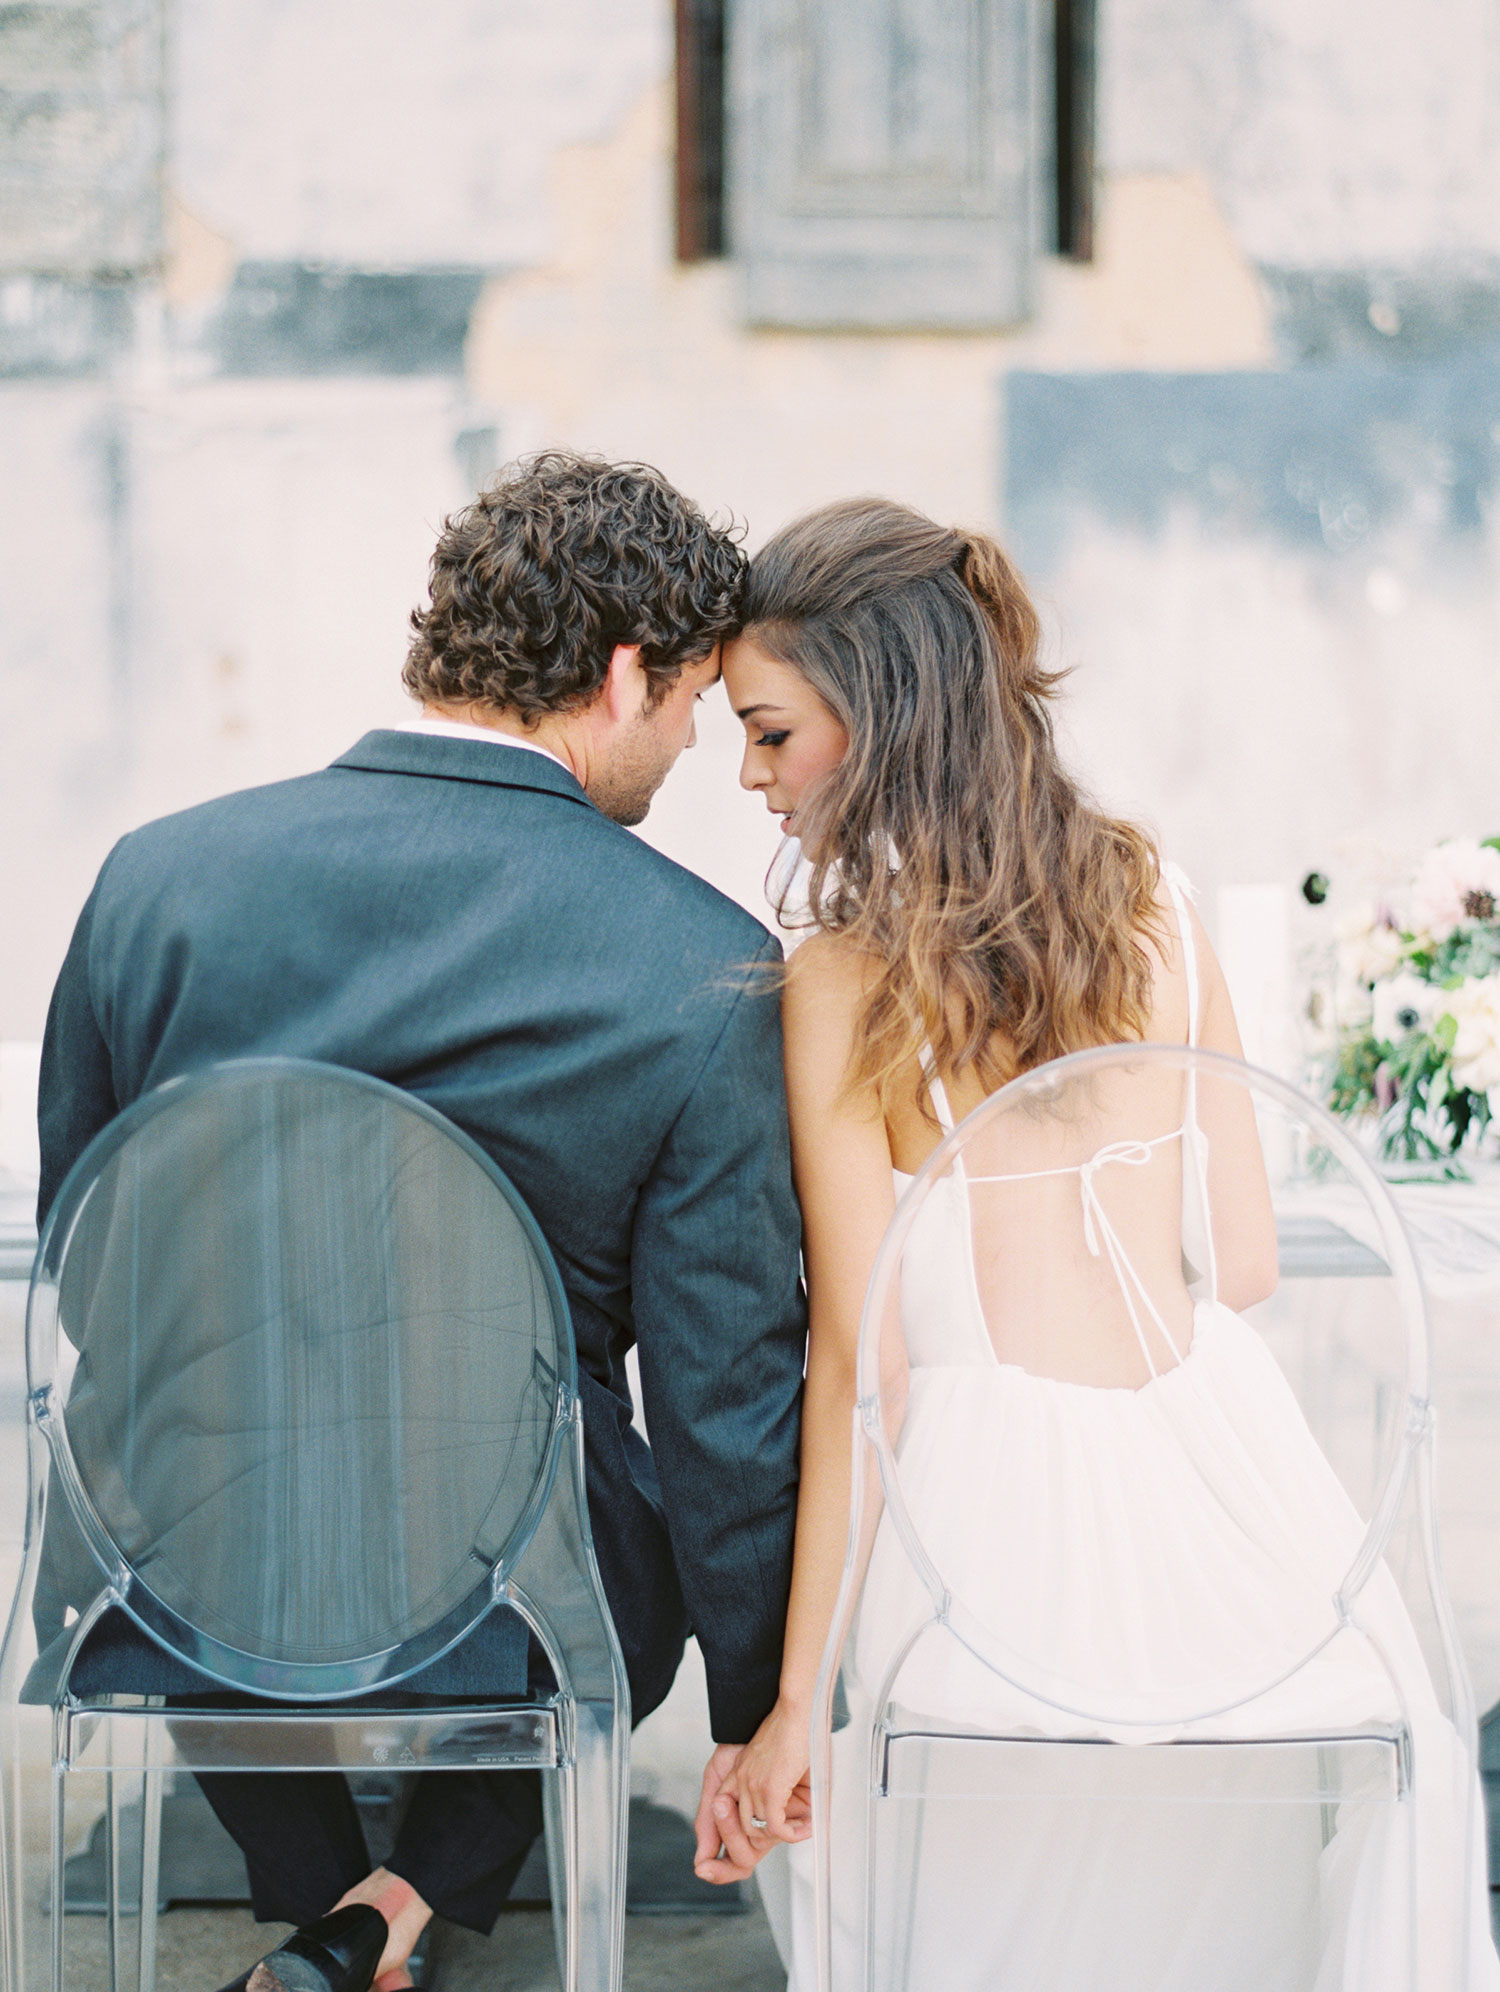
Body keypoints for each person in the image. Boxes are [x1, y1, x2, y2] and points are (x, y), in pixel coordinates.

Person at [694, 497, 1500, 1989]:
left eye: (769, 732)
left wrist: (793, 1699)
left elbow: (864, 1371)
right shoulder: (1161, 903)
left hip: (995, 1538)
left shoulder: (843, 977)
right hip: (1230, 1494)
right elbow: (1243, 1266)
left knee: (905, 1842)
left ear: (876, 721)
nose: (749, 775)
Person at [35, 452, 807, 1992]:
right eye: (692, 707)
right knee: (620, 1508)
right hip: (503, 1586)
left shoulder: (154, 881)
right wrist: (754, 1705)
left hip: (181, 1565)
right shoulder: (706, 972)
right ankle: (397, 1906)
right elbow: (728, 1398)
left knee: (188, 1431)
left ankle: (329, 1909)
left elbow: (90, 1250)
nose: (698, 752)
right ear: (620, 675)